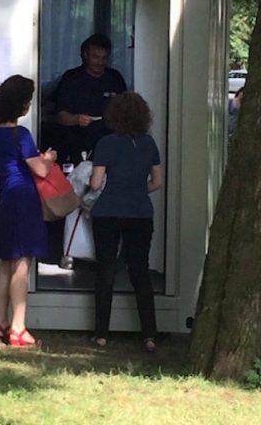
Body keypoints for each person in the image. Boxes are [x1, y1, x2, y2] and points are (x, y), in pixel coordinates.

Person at [0, 75, 57, 347]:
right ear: (22, 106)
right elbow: (39, 169)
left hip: (6, 198)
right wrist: (48, 159)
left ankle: (0, 324)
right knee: (22, 265)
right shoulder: (21, 135)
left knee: (5, 262)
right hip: (24, 199)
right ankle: (18, 328)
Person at [89, 92, 162, 353]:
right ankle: (149, 334)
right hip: (141, 211)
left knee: (106, 270)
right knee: (140, 272)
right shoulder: (149, 144)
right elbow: (157, 182)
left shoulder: (106, 143)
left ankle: (101, 334)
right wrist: (137, 189)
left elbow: (96, 183)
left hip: (108, 211)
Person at [55, 33, 127, 164]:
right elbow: (60, 116)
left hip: (111, 145)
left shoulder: (115, 78)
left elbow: (128, 111)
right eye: (95, 57)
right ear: (85, 55)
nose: (100, 63)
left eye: (104, 58)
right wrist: (76, 119)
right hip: (77, 146)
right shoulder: (71, 79)